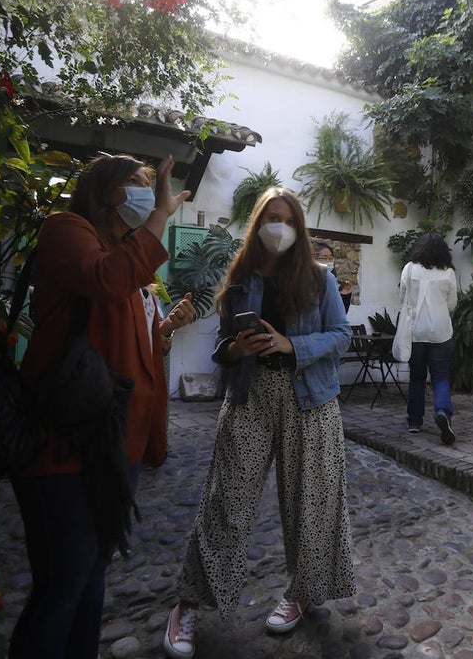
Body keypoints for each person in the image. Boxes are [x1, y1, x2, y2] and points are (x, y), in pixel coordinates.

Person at [10, 154, 196, 659]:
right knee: (64, 579)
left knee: (93, 571)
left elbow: (128, 341)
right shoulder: (67, 229)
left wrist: (165, 332)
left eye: (147, 184)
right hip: (67, 440)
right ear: (100, 192)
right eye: (133, 184)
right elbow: (105, 281)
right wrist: (160, 214)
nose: (145, 193)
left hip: (119, 445)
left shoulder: (128, 254)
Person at [163, 188, 355, 658]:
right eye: (272, 218)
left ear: (300, 227)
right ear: (258, 223)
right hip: (249, 397)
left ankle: (302, 591)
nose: (280, 227)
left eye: (288, 220)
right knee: (226, 501)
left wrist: (294, 346)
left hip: (309, 399)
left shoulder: (318, 278)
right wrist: (235, 350)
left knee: (311, 502)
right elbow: (222, 347)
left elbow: (341, 334)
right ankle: (187, 604)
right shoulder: (242, 276)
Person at [399, 232, 458, 444]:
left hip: (415, 331)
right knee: (441, 377)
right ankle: (443, 412)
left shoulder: (409, 268)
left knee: (417, 377)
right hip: (440, 331)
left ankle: (414, 421)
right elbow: (452, 304)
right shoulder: (448, 272)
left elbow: (402, 296)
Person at [311, 238, 353, 312]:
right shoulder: (306, 282)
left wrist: (345, 296)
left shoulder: (332, 281)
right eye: (324, 258)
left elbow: (339, 315)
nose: (328, 261)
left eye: (331, 258)